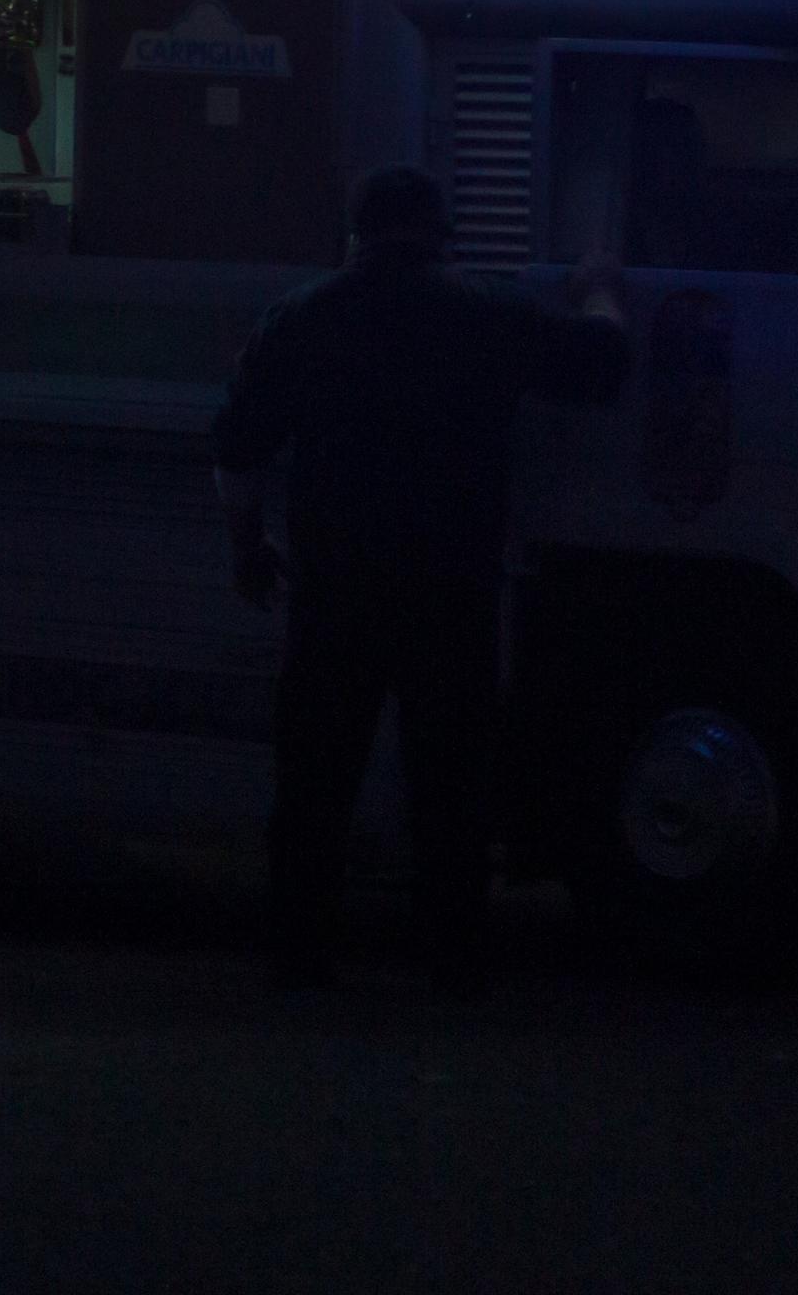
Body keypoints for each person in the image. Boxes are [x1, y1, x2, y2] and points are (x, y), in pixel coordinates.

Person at [212, 165, 632, 992]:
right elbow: (606, 367)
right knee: (450, 786)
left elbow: (236, 451)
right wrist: (599, 289)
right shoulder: (488, 315)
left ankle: (301, 954)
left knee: (316, 782)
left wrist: (248, 546)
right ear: (442, 237)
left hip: (335, 593)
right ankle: (449, 956)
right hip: (451, 593)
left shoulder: (301, 319)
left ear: (356, 235)